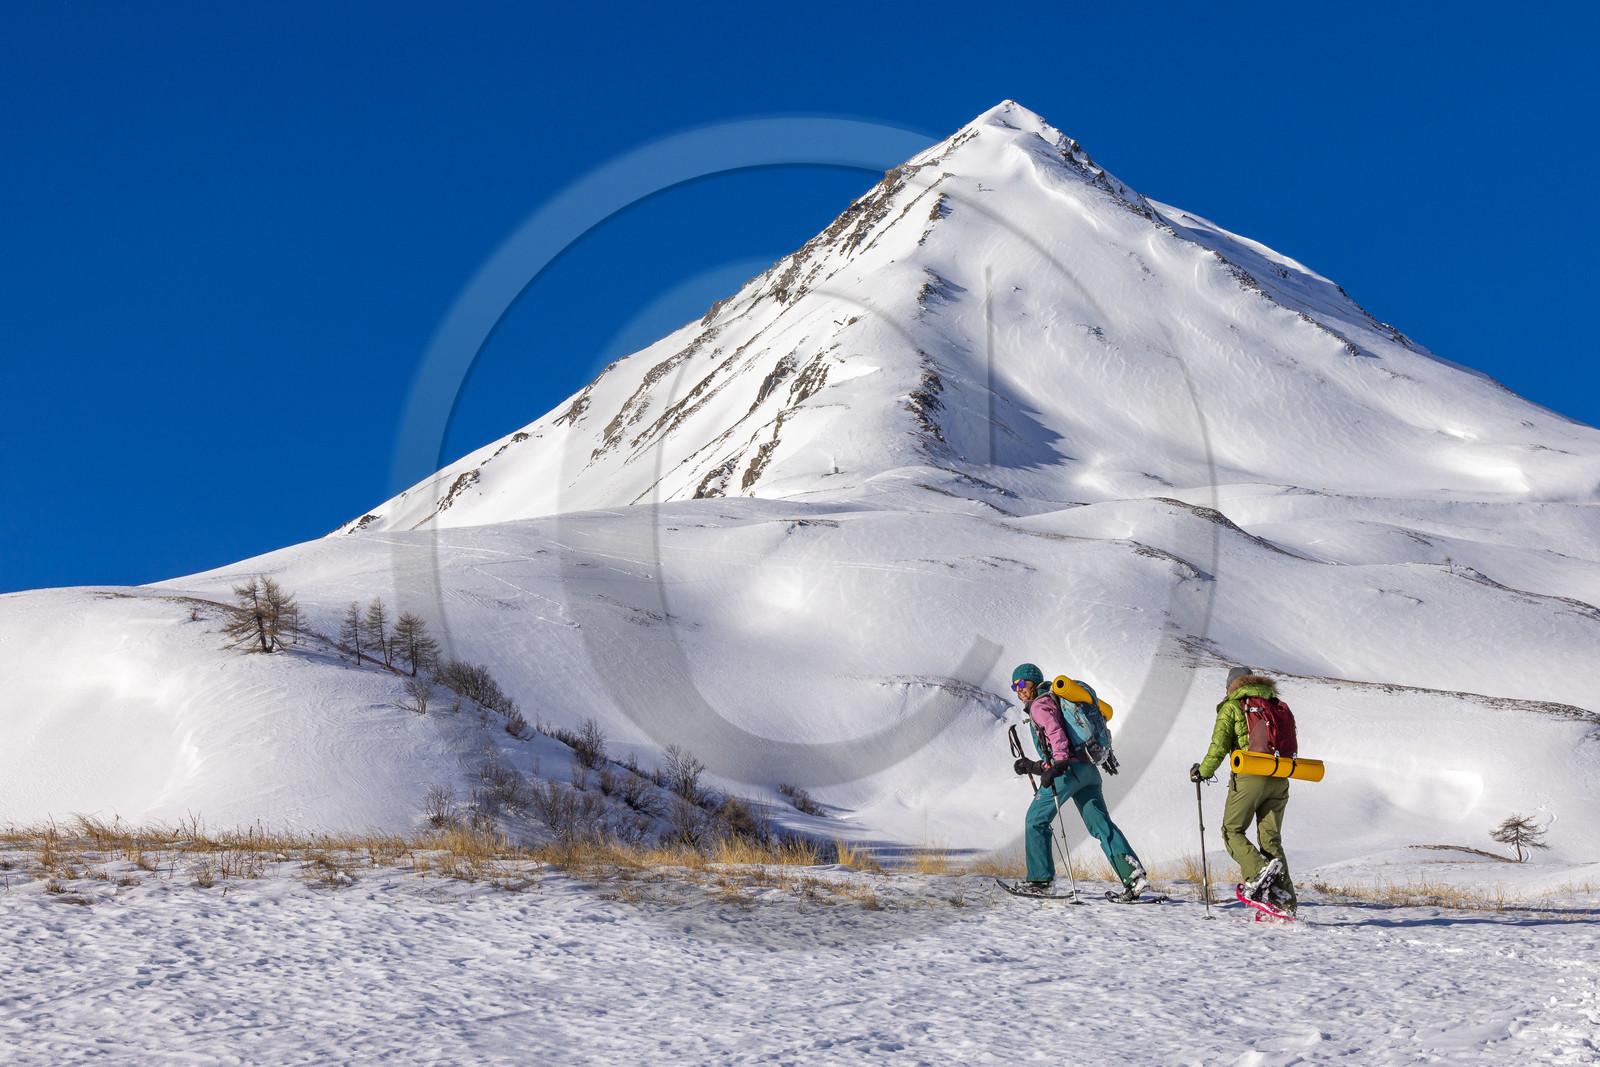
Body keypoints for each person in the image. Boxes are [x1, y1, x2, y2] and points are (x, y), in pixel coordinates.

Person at [1010, 663, 1150, 899]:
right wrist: (1033, 767)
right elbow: (1055, 748)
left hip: (1069, 772)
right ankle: (1134, 878)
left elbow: (1055, 734)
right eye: (1015, 685)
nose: (1019, 689)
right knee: (1102, 826)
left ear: (1034, 682)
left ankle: (1040, 881)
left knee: (1035, 820)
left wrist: (1060, 762)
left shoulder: (1040, 705)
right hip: (1088, 771)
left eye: (1023, 683)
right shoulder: (1053, 701)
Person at [1191, 667, 1297, 913]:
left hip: (1250, 775)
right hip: (1280, 775)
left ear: (1231, 686)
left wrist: (1202, 772)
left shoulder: (1233, 706)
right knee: (1271, 840)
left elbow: (1218, 747)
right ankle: (1286, 903)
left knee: (1232, 830)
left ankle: (1258, 874)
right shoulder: (1275, 704)